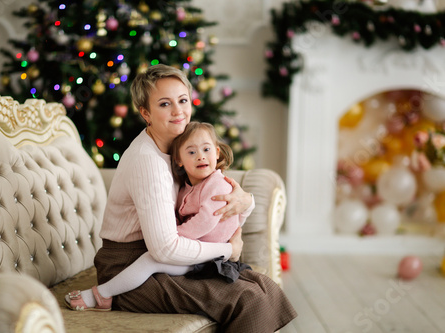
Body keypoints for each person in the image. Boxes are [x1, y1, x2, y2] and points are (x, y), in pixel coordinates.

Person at [69, 64, 296, 331]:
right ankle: (106, 294)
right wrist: (227, 250)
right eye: (165, 104)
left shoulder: (183, 149)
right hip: (128, 266)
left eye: (183, 100)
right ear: (146, 113)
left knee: (261, 285)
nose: (178, 111)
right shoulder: (148, 162)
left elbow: (215, 188)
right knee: (247, 298)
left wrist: (246, 200)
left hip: (165, 254)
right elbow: (164, 248)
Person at [65, 122, 252, 310]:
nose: (201, 156)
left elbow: (205, 221)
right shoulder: (186, 186)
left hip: (209, 258)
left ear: (217, 153)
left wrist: (175, 235)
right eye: (191, 152)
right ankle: (106, 294)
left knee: (151, 261)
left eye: (206, 149)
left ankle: (100, 295)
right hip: (199, 251)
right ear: (179, 159)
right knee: (153, 261)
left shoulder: (217, 184)